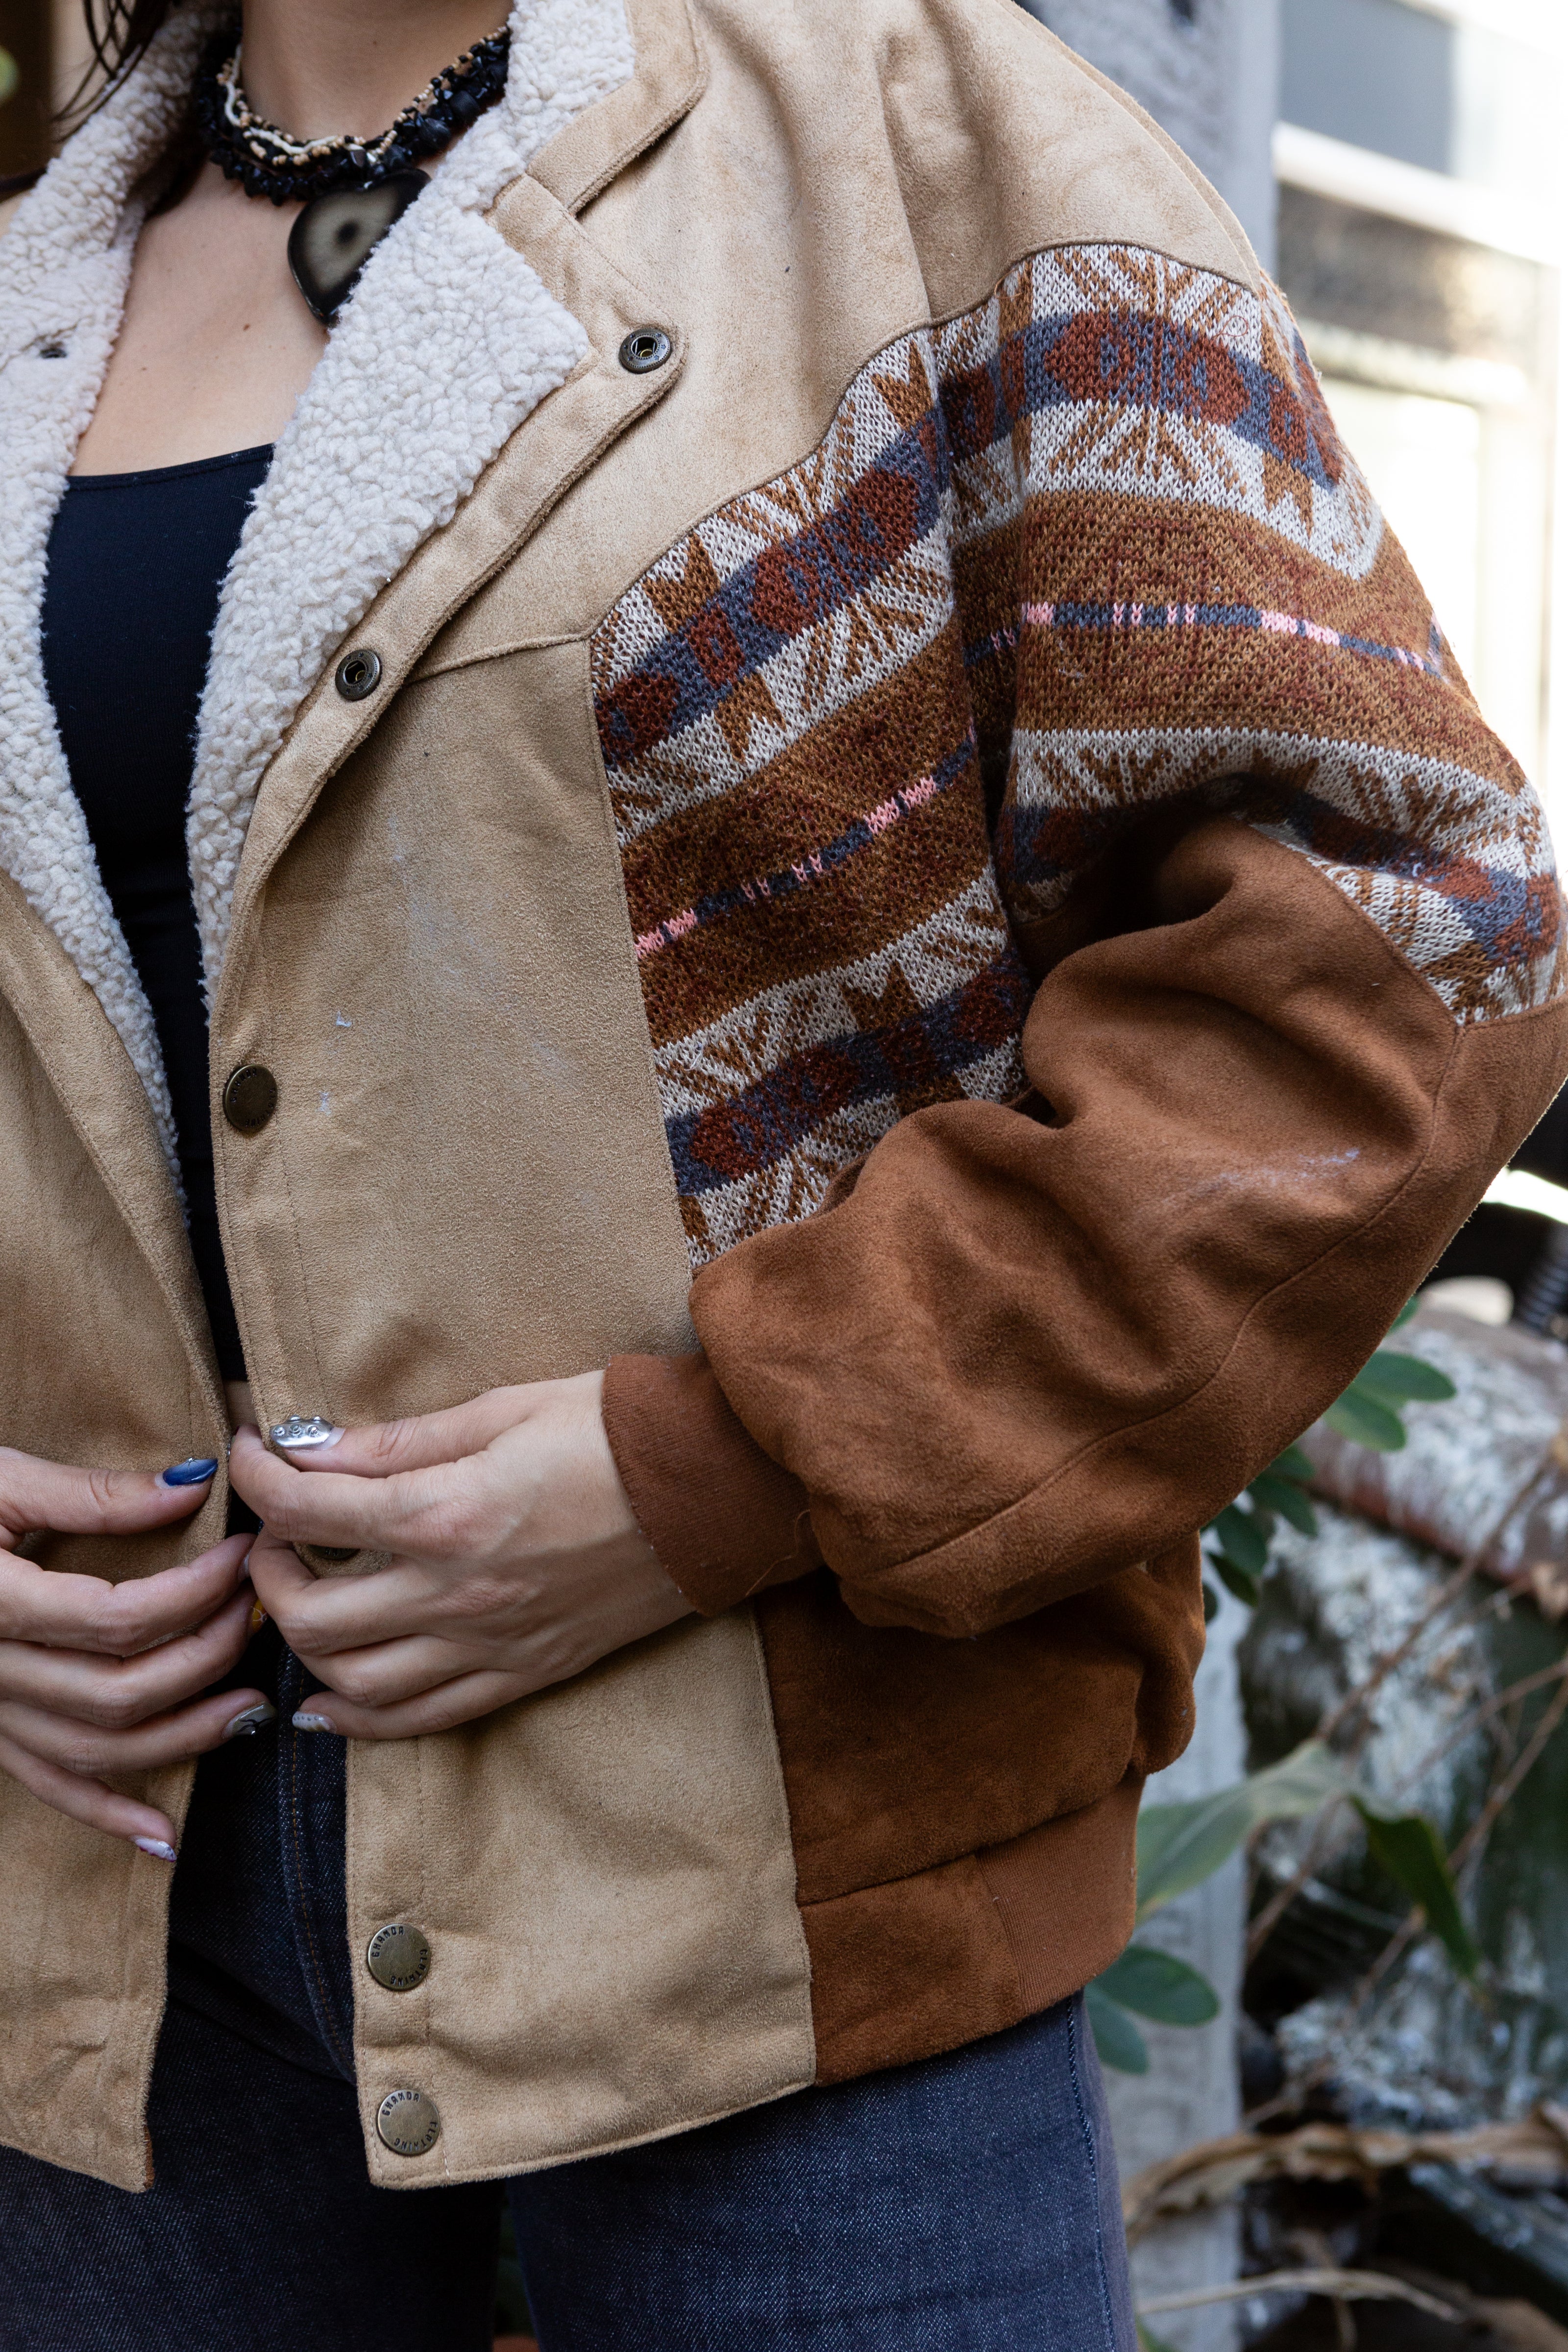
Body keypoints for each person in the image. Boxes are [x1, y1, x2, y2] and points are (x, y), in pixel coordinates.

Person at [0, 0, 1561, 2342]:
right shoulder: (39, 280)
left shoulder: (921, 141)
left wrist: (731, 1459)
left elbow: (1402, 942)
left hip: (789, 1905)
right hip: (115, 1955)